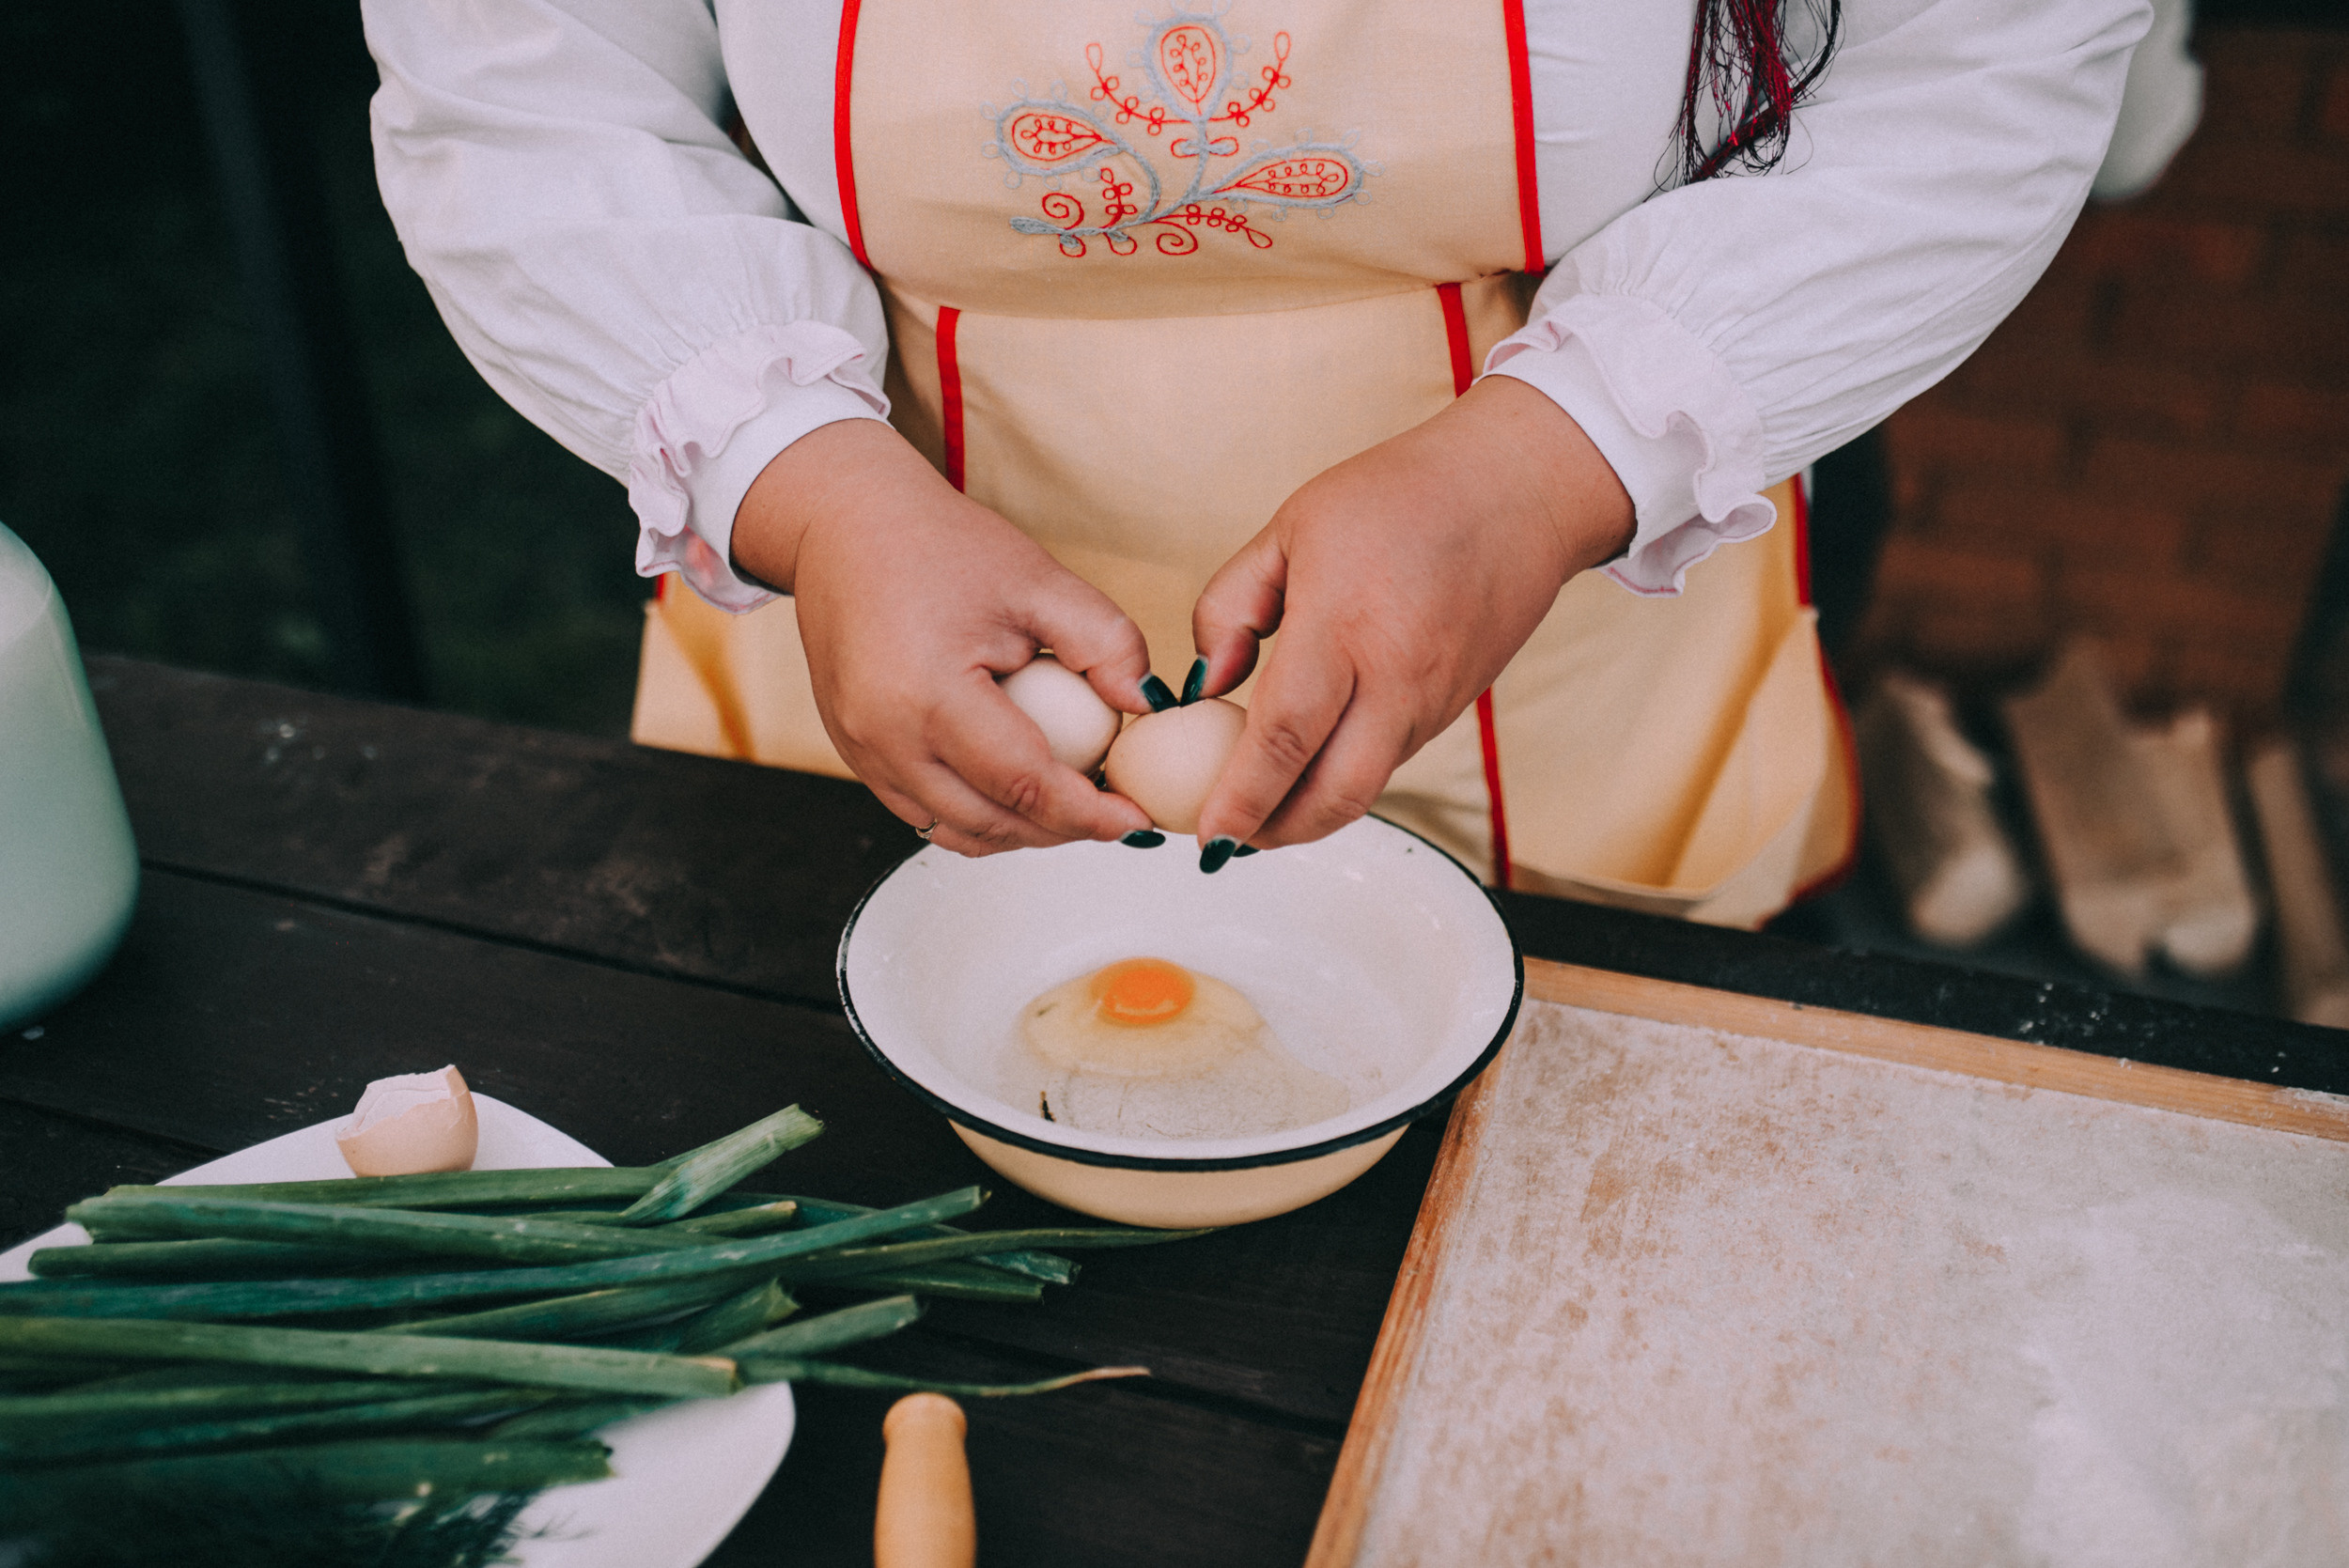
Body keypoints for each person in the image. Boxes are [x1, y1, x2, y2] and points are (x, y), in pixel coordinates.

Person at [366, 0, 2147, 926]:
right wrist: (805, 482)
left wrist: (1550, 461)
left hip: (1571, 645)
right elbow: (528, 84)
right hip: (875, 621)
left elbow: (1972, 61)